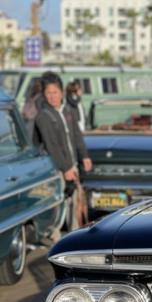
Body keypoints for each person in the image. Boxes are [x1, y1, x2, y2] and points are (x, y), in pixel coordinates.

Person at [33, 71, 92, 230]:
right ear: (43, 94)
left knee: (75, 208)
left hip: (72, 166)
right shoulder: (43, 116)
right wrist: (65, 168)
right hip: (55, 170)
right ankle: (55, 242)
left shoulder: (68, 111)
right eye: (48, 93)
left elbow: (77, 136)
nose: (52, 96)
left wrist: (84, 156)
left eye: (55, 92)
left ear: (62, 92)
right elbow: (52, 145)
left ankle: (74, 239)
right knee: (58, 210)